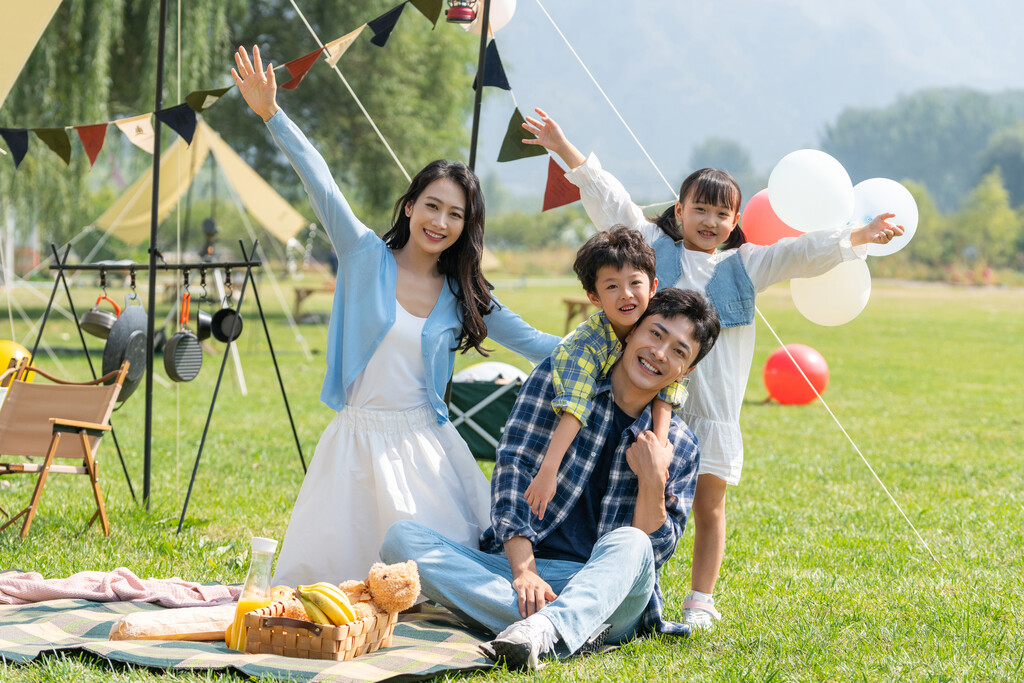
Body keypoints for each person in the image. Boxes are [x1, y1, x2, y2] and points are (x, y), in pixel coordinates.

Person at [522, 107, 905, 631]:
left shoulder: (745, 265)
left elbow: (801, 253)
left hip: (712, 414)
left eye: (721, 214)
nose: (709, 222)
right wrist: (563, 148)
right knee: (633, 492)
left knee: (709, 506)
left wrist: (857, 236)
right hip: (648, 407)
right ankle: (620, 578)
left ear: (734, 221)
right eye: (700, 209)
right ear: (678, 212)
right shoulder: (653, 250)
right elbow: (610, 199)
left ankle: (700, 597)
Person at [231, 46, 560, 585]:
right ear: (410, 206)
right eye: (432, 205)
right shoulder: (364, 257)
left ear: (466, 228)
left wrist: (620, 337)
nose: (441, 221)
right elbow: (323, 183)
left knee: (436, 587)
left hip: (426, 448)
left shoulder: (463, 292)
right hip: (355, 445)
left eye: (456, 214)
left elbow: (537, 343)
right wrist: (272, 113)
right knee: (333, 586)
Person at [382, 288, 722, 670]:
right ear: (631, 331)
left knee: (632, 542)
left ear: (687, 371)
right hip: (525, 565)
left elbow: (649, 556)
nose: (660, 354)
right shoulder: (561, 382)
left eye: (679, 351)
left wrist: (654, 476)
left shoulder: (680, 445)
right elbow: (513, 471)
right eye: (655, 334)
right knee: (401, 542)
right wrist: (524, 571)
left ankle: (538, 623)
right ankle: (556, 627)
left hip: (607, 588)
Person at [524, 227, 686, 521]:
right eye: (611, 287)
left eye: (635, 282)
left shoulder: (659, 326)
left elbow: (670, 386)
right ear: (593, 297)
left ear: (652, 286)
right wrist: (548, 472)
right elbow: (575, 406)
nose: (626, 294)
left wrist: (659, 449)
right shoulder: (585, 345)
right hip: (576, 421)